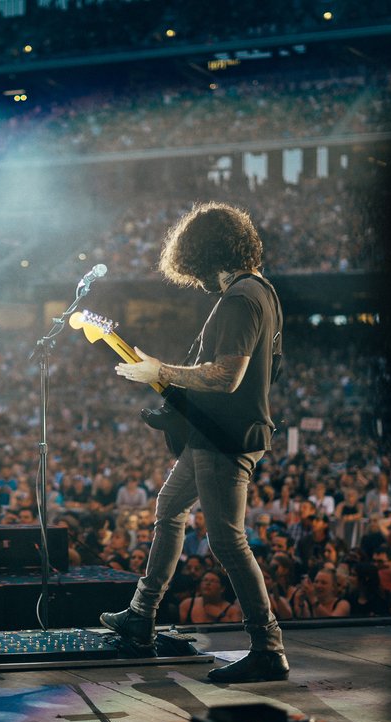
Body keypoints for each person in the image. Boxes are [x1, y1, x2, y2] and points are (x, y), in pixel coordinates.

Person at [99, 201, 288, 683]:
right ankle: (141, 616)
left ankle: (268, 646)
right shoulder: (261, 292)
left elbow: (227, 376)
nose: (196, 281)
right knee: (168, 508)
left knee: (227, 541)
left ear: (206, 255)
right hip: (216, 433)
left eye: (194, 268)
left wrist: (160, 371)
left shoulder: (240, 298)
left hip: (226, 438)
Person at [178, 569, 243, 625]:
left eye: (212, 581)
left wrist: (221, 616)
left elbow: (236, 635)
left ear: (222, 588)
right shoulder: (187, 604)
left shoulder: (233, 611)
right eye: (205, 580)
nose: (208, 583)